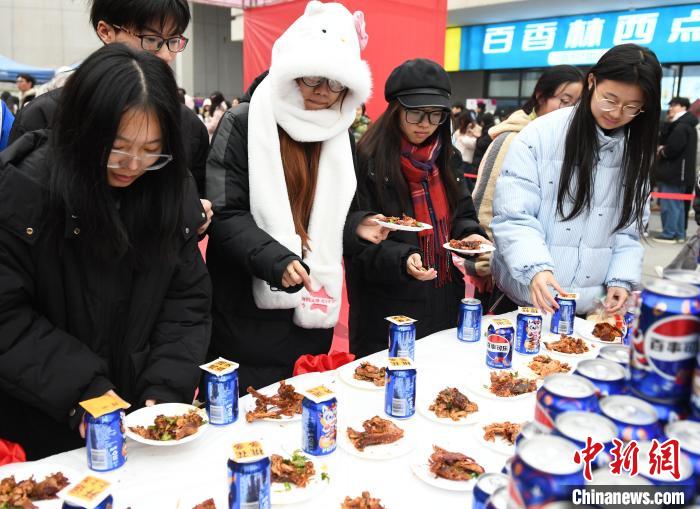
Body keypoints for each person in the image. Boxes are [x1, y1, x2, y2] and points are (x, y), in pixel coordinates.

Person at [0, 44, 212, 460]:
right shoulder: (25, 190)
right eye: (117, 147)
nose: (133, 164)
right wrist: (83, 387)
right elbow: (6, 316)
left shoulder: (171, 188)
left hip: (136, 415)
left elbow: (185, 299)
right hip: (42, 420)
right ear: (84, 130)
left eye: (152, 148)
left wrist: (165, 388)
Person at [205, 1, 377, 390]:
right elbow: (225, 212)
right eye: (312, 78)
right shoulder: (245, 122)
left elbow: (337, 216)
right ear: (292, 73)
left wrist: (358, 226)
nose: (323, 92)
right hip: (245, 309)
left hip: (311, 309)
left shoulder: (338, 131)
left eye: (335, 83)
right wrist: (275, 260)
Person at [491, 44, 660, 315]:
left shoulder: (635, 152)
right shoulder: (540, 135)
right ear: (592, 82)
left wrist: (621, 279)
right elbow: (514, 215)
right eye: (610, 99)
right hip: (529, 300)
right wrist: (536, 269)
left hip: (591, 307)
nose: (616, 113)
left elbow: (629, 230)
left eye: (631, 107)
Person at [347, 58, 489, 357]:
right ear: (395, 110)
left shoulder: (447, 157)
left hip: (443, 290)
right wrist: (403, 258)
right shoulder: (367, 159)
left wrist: (471, 236)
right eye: (416, 114)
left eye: (435, 115)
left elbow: (462, 214)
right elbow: (354, 235)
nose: (425, 125)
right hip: (388, 304)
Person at [7, 1, 211, 208]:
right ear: (106, 31)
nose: (167, 55)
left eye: (174, 40)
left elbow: (195, 207)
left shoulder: (189, 127)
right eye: (151, 39)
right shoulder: (44, 116)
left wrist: (195, 217)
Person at [473, 65, 584, 237]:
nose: (571, 110)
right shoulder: (512, 139)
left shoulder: (570, 143)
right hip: (506, 249)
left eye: (577, 104)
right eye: (565, 101)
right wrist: (482, 259)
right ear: (540, 96)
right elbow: (485, 203)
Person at [654, 97, 698, 243]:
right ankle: (679, 234)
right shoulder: (688, 125)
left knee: (670, 203)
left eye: (674, 105)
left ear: (684, 107)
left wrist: (661, 151)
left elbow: (672, 149)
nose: (671, 108)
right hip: (682, 172)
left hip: (674, 171)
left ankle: (669, 233)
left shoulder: (680, 126)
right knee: (678, 204)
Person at [452, 110, 480, 191]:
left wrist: (462, 139)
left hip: (467, 160)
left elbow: (474, 143)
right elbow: (455, 138)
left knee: (465, 183)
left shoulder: (475, 127)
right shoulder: (460, 129)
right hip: (458, 157)